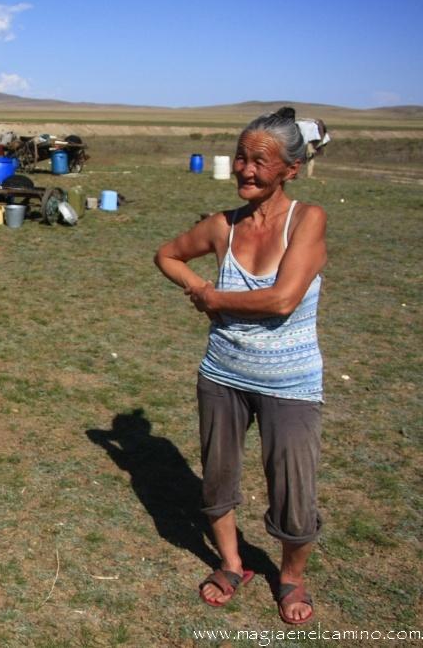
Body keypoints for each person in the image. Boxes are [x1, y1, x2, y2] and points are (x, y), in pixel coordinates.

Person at [154, 107, 328, 625]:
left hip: (290, 383)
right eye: (241, 157)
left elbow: (282, 300)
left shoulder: (308, 220)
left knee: (294, 487)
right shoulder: (220, 226)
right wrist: (198, 287)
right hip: (223, 374)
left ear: (290, 170)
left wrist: (214, 298)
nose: (245, 170)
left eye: (261, 161)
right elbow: (166, 255)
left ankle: (291, 576)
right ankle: (232, 564)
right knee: (218, 475)